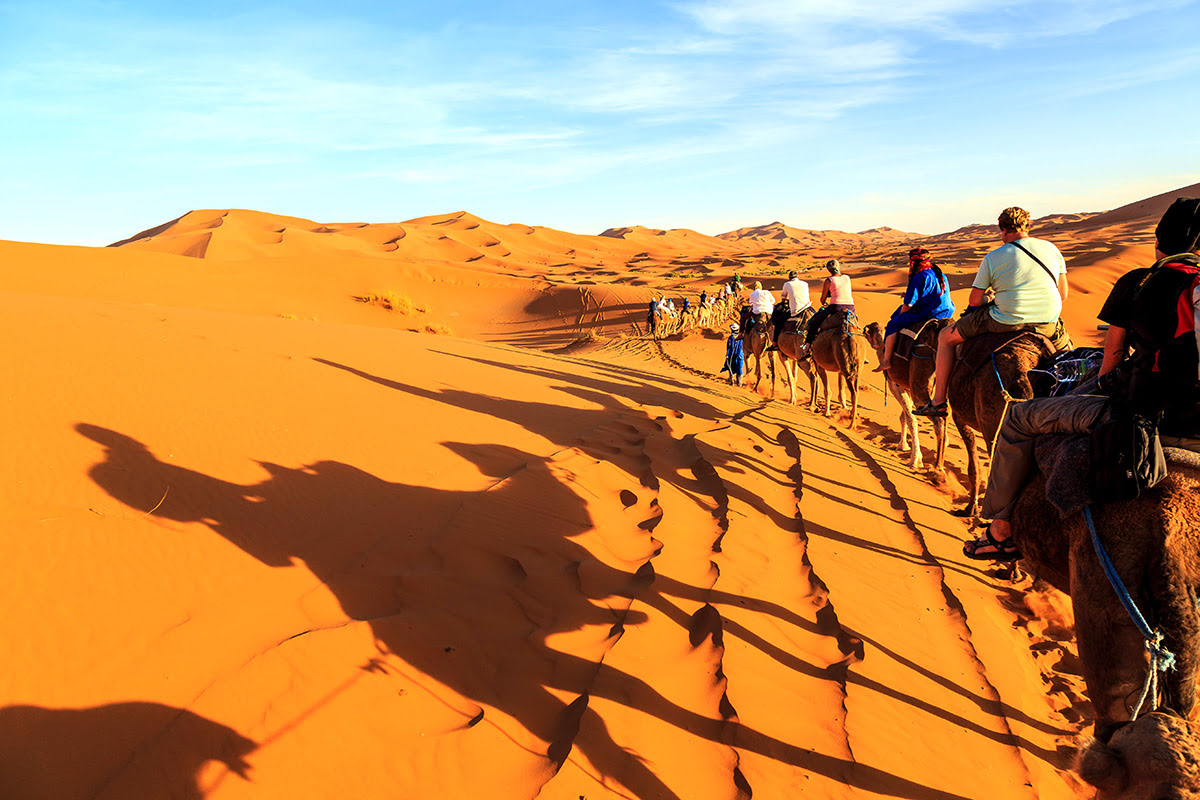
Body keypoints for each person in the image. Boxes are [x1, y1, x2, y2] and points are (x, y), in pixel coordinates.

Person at [964, 197, 1200, 560]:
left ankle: (1001, 532)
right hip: (1052, 327)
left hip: (1147, 415)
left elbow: (1113, 356)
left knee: (1019, 418)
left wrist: (1104, 385)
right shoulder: (1051, 249)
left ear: (1159, 242)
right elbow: (1062, 296)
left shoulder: (1141, 281)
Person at [916, 207, 1069, 417]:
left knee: (944, 337)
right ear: (1027, 226)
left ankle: (939, 400)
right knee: (1068, 353)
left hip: (1004, 320)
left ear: (1003, 230)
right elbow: (1063, 294)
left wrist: (990, 298)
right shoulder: (1051, 249)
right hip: (1048, 320)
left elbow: (974, 301)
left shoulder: (993, 256)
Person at [874, 248, 956, 372]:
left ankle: (886, 360)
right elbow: (930, 293)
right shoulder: (939, 273)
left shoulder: (919, 276)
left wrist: (900, 316)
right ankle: (887, 341)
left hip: (930, 313)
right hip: (946, 311)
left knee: (893, 323)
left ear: (913, 262)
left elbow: (908, 305)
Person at [804, 260, 855, 349]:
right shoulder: (847, 277)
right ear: (838, 267)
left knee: (814, 322)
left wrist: (826, 299)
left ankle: (807, 346)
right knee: (855, 324)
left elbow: (822, 300)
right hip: (850, 306)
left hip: (835, 306)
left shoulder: (829, 280)